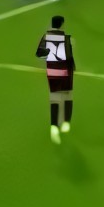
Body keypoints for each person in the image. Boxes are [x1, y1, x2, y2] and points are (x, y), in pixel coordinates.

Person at [35, 16, 75, 145]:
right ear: (62, 24)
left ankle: (54, 126)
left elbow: (39, 53)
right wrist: (72, 70)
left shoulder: (46, 36)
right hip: (65, 71)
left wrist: (48, 53)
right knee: (67, 96)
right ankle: (66, 122)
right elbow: (69, 57)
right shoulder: (66, 38)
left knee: (54, 97)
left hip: (52, 71)